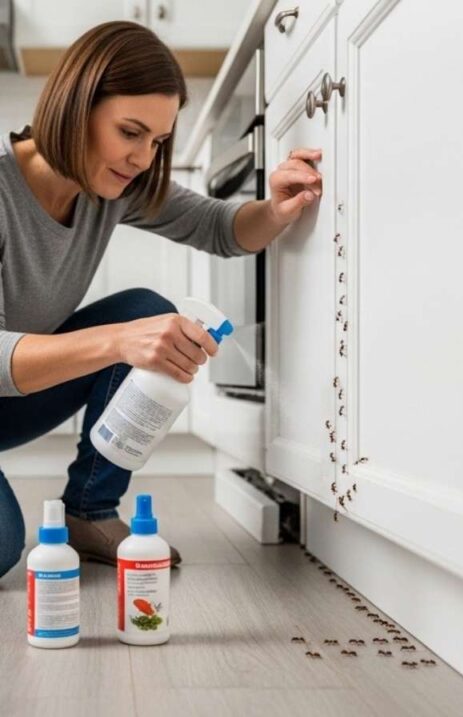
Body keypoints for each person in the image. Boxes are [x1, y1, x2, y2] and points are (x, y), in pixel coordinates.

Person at [0, 21, 324, 578]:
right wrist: (118, 342)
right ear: (75, 108)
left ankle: (90, 512)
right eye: (130, 132)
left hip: (12, 400)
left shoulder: (111, 188)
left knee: (144, 311)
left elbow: (220, 227)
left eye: (157, 141)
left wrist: (275, 209)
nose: (143, 158)